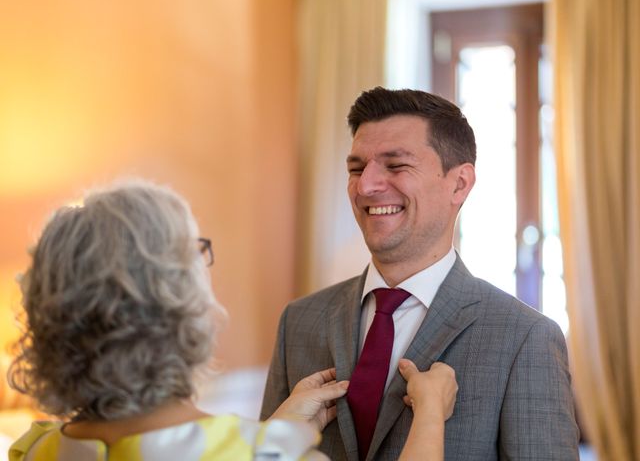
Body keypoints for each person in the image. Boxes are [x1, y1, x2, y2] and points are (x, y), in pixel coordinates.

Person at [7, 178, 457, 461]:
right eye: (197, 251)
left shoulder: (33, 448)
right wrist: (431, 417)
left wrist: (276, 433)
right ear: (176, 296)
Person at [261, 87, 580, 460]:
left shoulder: (525, 339)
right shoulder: (298, 322)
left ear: (459, 184)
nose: (366, 186)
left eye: (396, 165)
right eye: (356, 168)